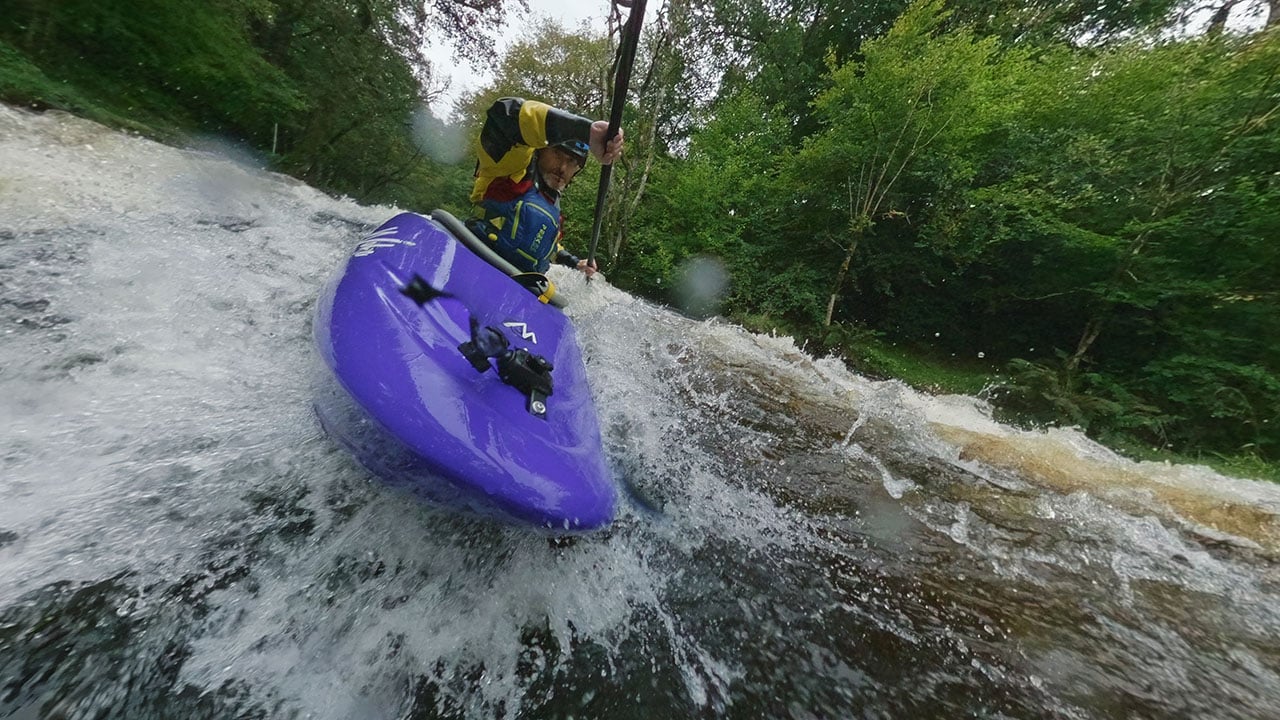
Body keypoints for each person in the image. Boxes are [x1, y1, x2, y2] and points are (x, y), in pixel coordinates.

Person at [468, 97, 624, 277]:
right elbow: (504, 115)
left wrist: (574, 262)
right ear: (541, 150)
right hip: (476, 262)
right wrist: (584, 130)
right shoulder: (511, 167)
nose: (563, 168)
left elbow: (548, 246)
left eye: (572, 161)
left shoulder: (553, 205)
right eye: (557, 154)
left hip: (518, 284)